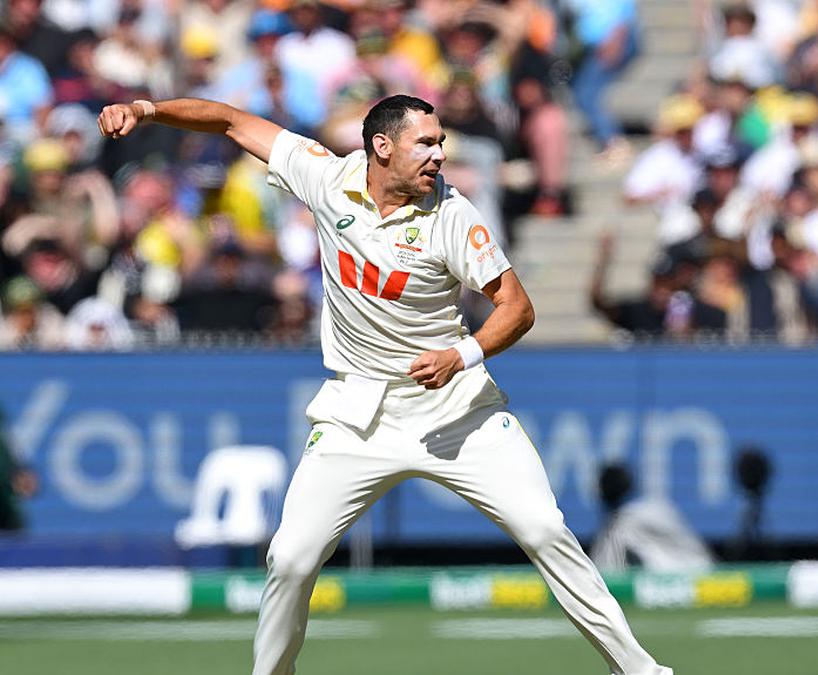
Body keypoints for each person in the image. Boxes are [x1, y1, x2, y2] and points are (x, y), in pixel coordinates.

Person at [97, 94, 671, 675]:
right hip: (359, 417)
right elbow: (233, 121)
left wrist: (462, 352)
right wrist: (145, 110)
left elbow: (516, 308)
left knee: (546, 529)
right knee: (291, 559)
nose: (440, 154)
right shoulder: (327, 178)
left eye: (441, 141)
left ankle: (642, 671)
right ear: (382, 147)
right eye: (426, 143)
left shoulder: (453, 215)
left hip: (457, 411)